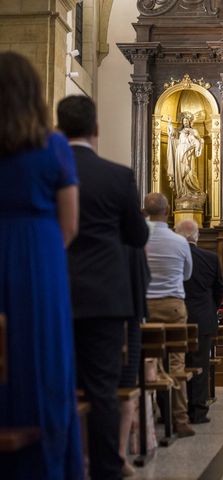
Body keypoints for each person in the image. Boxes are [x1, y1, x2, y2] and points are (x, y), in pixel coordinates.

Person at [0, 52, 83, 480]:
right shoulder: (53, 147)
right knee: (42, 355)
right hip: (39, 258)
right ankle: (47, 464)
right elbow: (69, 225)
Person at [57, 95, 149, 480]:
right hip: (107, 297)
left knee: (58, 381)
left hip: (57, 294)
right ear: (96, 130)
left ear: (58, 129)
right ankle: (106, 468)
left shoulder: (48, 172)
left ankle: (63, 464)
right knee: (102, 387)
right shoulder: (117, 176)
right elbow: (137, 233)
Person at [144, 192, 194, 437]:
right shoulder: (180, 241)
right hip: (173, 304)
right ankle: (180, 419)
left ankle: (147, 418)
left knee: (147, 361)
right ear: (167, 212)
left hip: (146, 305)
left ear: (145, 212)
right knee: (177, 361)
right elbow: (186, 274)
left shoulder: (139, 239)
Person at [175, 220, 223, 424]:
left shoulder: (173, 257)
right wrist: (209, 309)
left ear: (177, 235)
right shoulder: (210, 258)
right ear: (197, 236)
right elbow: (220, 287)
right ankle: (197, 411)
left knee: (172, 363)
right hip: (202, 318)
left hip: (175, 316)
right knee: (199, 364)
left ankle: (172, 410)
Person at [118, 246, 151, 477]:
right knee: (125, 387)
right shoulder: (132, 244)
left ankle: (85, 457)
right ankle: (118, 454)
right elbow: (143, 278)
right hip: (126, 316)